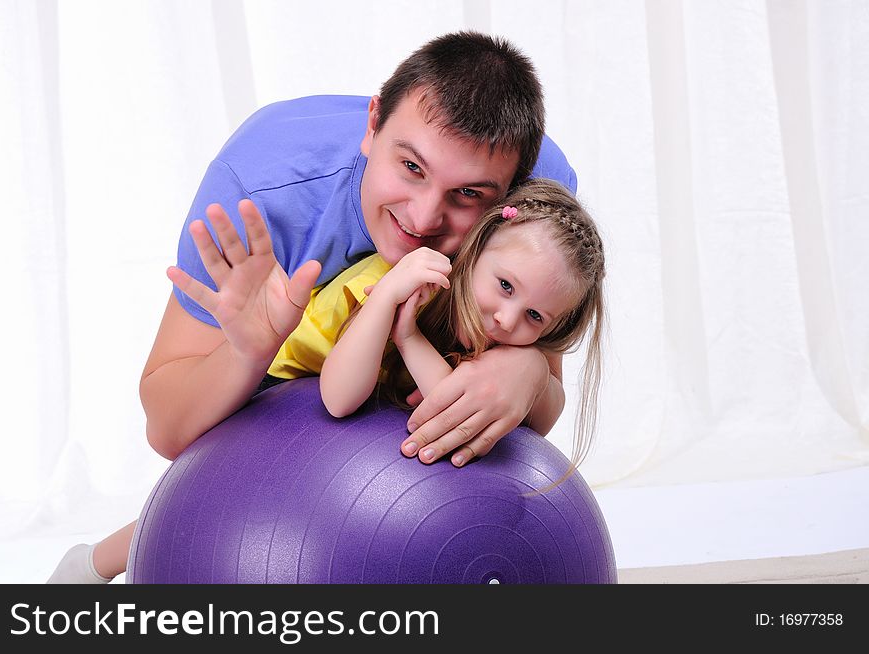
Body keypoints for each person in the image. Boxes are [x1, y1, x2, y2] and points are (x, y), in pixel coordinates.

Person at [47, 30, 577, 583]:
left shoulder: (537, 203)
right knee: (258, 472)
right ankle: (90, 566)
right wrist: (247, 355)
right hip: (293, 370)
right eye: (412, 168)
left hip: (412, 362)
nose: (422, 221)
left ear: (511, 195)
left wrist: (530, 368)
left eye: (467, 195)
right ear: (372, 125)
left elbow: (541, 408)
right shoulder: (261, 188)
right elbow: (168, 433)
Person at [320, 178, 605, 475]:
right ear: (476, 247)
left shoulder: (517, 339)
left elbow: (454, 404)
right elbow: (339, 399)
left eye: (535, 315)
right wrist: (385, 297)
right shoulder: (411, 281)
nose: (506, 320)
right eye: (506, 286)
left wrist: (409, 338)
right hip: (281, 373)